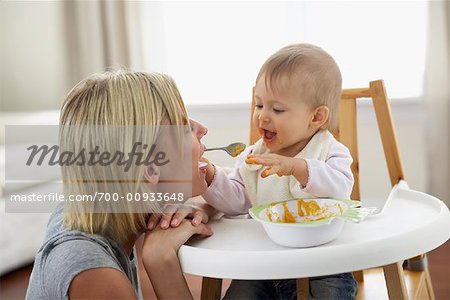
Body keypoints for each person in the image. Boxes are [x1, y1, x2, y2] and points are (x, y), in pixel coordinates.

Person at [25, 70, 215, 299]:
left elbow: (211, 191)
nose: (202, 129)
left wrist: (202, 207)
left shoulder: (90, 207)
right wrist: (161, 262)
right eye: (185, 127)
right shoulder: (92, 274)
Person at [202, 43, 358, 299]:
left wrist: (298, 168)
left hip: (323, 262)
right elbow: (236, 199)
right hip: (263, 262)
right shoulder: (255, 156)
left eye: (277, 109)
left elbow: (341, 188)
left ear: (316, 117)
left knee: (331, 293)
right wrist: (209, 175)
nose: (262, 117)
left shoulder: (330, 150)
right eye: (259, 105)